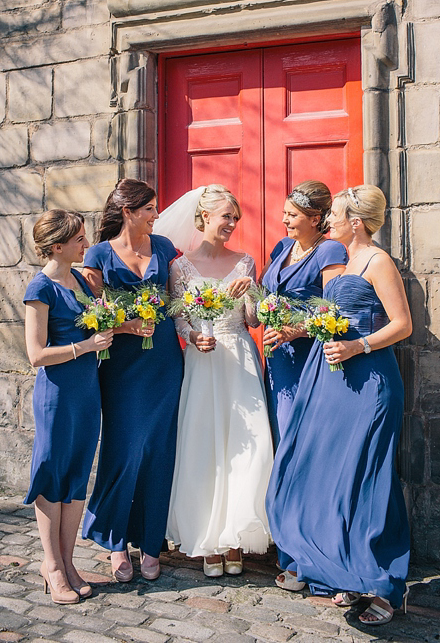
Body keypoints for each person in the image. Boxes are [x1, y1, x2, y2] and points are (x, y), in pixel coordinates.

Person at [266, 184, 412, 626]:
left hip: (371, 384)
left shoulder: (378, 261)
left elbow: (402, 325)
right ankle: (345, 571)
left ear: (356, 222)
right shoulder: (341, 261)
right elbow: (327, 318)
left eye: (336, 215)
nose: (328, 220)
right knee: (334, 478)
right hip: (336, 385)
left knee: (371, 480)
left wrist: (358, 346)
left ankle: (386, 588)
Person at [158, 184, 273, 577]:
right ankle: (207, 538)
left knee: (246, 447)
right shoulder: (180, 267)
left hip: (240, 360)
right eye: (227, 216)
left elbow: (254, 319)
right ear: (205, 216)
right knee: (204, 445)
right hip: (202, 362)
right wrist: (191, 336)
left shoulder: (245, 262)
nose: (232, 224)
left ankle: (237, 535)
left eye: (235, 218)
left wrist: (253, 292)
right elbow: (177, 315)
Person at [81, 179, 183, 583]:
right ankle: (115, 539)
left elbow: (178, 299)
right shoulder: (98, 254)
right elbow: (89, 314)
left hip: (163, 362)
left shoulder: (164, 248)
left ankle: (151, 540)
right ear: (128, 212)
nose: (156, 216)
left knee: (159, 451)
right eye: (149, 209)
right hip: (121, 366)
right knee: (124, 451)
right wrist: (125, 325)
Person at [24, 210, 114, 605]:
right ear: (57, 245)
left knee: (78, 474)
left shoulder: (80, 280)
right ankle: (52, 565)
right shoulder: (39, 288)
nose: (86, 245)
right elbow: (36, 354)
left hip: (86, 391)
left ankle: (69, 561)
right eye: (79, 239)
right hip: (57, 395)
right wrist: (85, 346)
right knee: (53, 474)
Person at [260, 181, 348, 447]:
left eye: (292, 215)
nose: (284, 219)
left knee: (298, 429)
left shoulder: (330, 250)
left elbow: (335, 308)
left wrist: (296, 330)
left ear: (315, 219)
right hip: (277, 356)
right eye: (285, 213)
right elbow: (262, 288)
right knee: (276, 425)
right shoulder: (283, 246)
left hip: (307, 353)